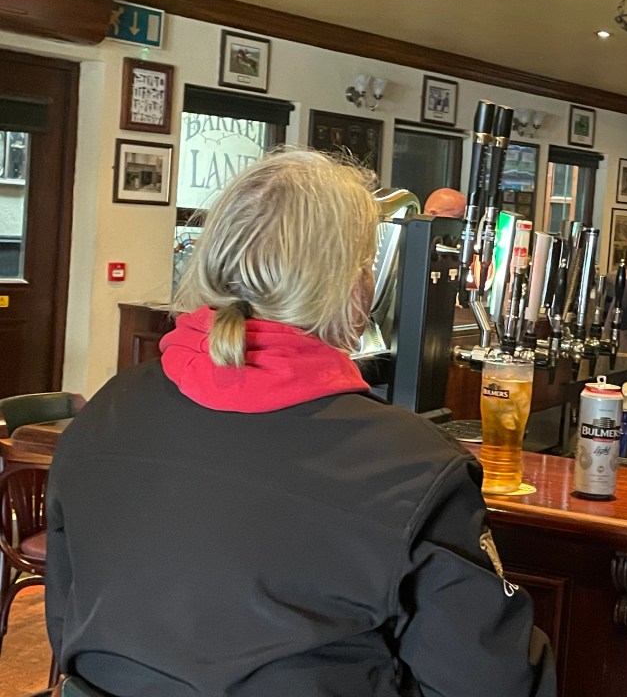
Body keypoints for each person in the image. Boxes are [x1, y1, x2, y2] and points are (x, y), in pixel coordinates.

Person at [45, 150, 556, 697]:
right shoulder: (414, 464)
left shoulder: (110, 406)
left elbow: (67, 617)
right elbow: (491, 682)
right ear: (354, 287)